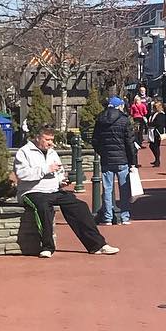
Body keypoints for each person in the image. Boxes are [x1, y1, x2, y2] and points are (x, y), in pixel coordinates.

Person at [14, 124, 119, 258]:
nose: (50, 143)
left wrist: (61, 181)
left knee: (80, 206)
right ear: (37, 138)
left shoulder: (52, 152)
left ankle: (97, 245)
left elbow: (58, 172)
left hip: (53, 190)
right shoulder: (24, 152)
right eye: (47, 140)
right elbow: (21, 174)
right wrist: (46, 169)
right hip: (32, 191)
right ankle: (47, 247)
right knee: (43, 208)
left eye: (52, 140)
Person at [92, 95, 138, 226]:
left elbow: (95, 140)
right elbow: (129, 142)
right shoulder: (124, 120)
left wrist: (102, 153)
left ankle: (107, 217)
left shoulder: (100, 119)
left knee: (107, 189)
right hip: (122, 159)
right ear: (119, 106)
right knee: (124, 189)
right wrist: (132, 161)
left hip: (107, 159)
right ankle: (125, 217)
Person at [146, 98, 166, 168]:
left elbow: (158, 123)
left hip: (157, 132)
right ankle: (156, 159)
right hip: (152, 131)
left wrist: (150, 124)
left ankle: (157, 161)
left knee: (156, 146)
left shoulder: (161, 114)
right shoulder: (153, 114)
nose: (153, 108)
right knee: (152, 146)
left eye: (155, 107)